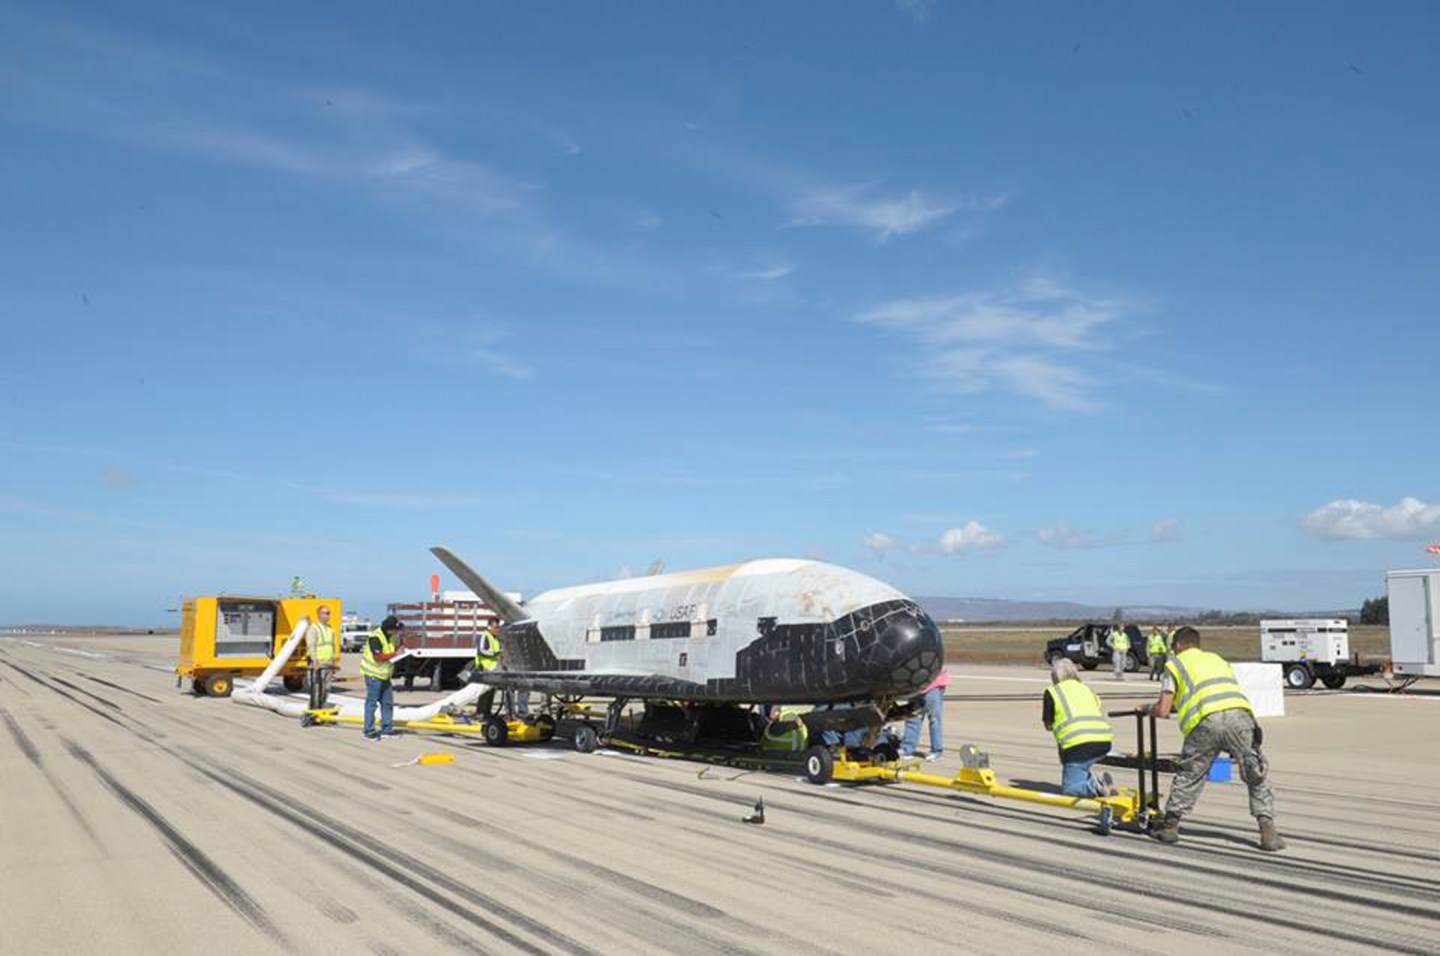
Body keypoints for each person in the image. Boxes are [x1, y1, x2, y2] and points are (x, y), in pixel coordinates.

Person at [1149, 626, 1285, 851]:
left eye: (1173, 646)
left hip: (1206, 721)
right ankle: (1268, 832)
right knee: (1255, 772)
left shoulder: (1174, 664)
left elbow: (1163, 710)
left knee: (1191, 772)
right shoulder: (1218, 660)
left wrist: (1148, 709)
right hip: (1239, 717)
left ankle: (1170, 826)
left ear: (1180, 645)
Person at [1042, 658, 1116, 797]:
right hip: (1104, 741)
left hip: (1078, 746)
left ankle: (1096, 786)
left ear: (1056, 676)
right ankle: (1098, 784)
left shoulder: (1053, 692)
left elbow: (1048, 725)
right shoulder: (1087, 689)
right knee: (1081, 768)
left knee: (1070, 789)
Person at [360, 615, 405, 741]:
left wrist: (401, 647)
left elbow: (399, 645)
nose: (397, 632)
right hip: (373, 675)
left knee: (387, 703)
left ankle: (387, 729)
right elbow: (378, 657)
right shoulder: (375, 637)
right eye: (395, 630)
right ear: (389, 629)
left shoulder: (393, 637)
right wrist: (395, 654)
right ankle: (368, 730)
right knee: (372, 703)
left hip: (385, 675)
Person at [900, 666, 950, 761]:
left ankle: (936, 751)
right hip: (915, 686)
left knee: (934, 720)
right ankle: (907, 749)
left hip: (933, 686)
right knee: (912, 718)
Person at [305, 604, 339, 712]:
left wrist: (334, 662)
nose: (328, 616)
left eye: (329, 613)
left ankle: (321, 712)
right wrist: (314, 661)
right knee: (316, 691)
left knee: (326, 689)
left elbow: (332, 646)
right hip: (318, 664)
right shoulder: (314, 628)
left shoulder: (330, 629)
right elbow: (311, 645)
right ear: (319, 614)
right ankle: (313, 714)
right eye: (326, 613)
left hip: (328, 664)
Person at [472, 627, 501, 718]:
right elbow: (481, 651)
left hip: (492, 669)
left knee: (491, 691)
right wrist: (496, 653)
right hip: (485, 668)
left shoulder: (495, 638)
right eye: (496, 628)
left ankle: (486, 712)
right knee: (484, 692)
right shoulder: (485, 636)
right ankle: (480, 712)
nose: (498, 630)